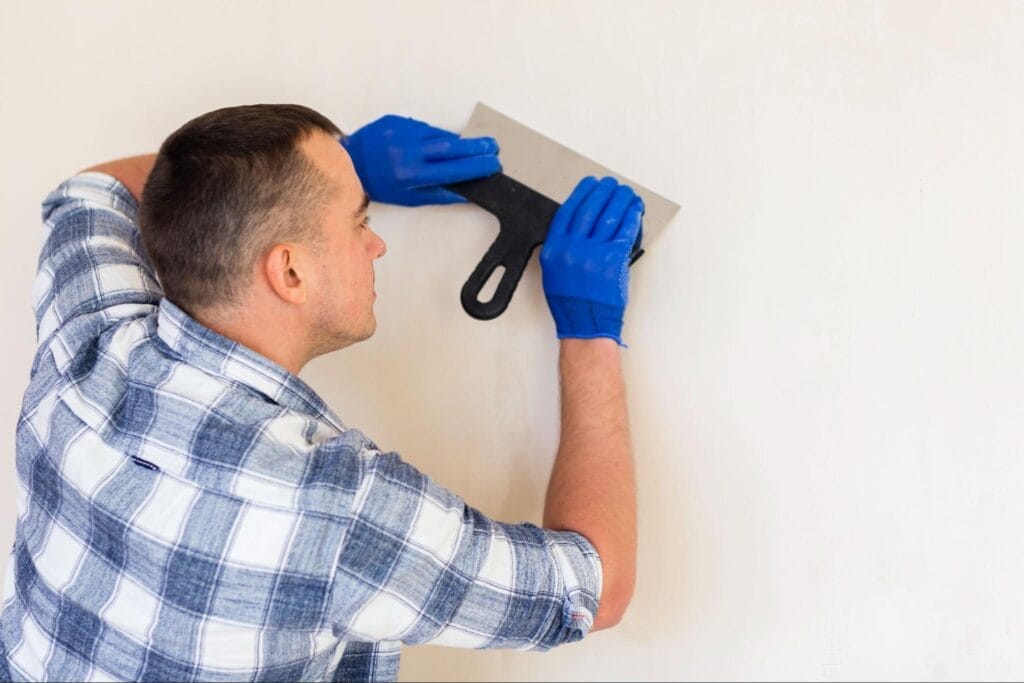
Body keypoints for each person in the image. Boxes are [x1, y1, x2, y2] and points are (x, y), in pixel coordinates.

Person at [0, 104, 641, 682]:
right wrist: (590, 335)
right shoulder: (334, 507)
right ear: (290, 271)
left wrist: (345, 161)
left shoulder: (87, 339)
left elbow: (93, 189)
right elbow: (594, 588)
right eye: (359, 218)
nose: (377, 241)